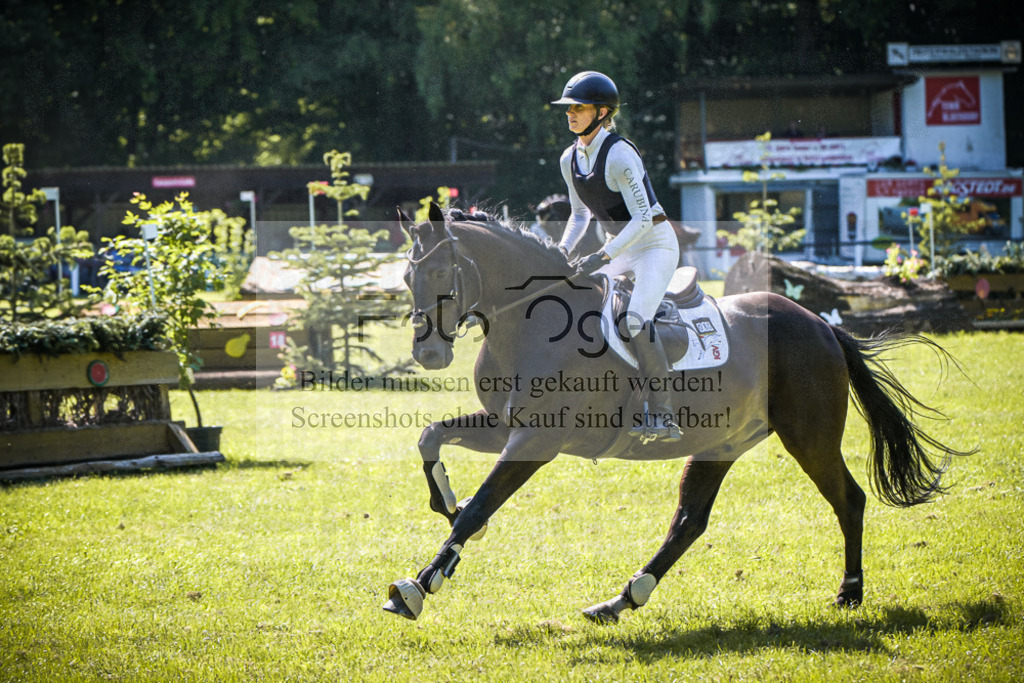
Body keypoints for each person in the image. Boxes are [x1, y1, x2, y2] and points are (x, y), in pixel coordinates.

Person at [552, 71, 681, 442]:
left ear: (602, 112)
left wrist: (601, 255)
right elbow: (579, 215)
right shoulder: (569, 159)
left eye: (578, 107)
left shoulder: (621, 154)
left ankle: (663, 414)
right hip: (619, 248)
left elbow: (644, 218)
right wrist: (562, 252)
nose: (570, 114)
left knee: (635, 321)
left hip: (654, 245)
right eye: (568, 109)